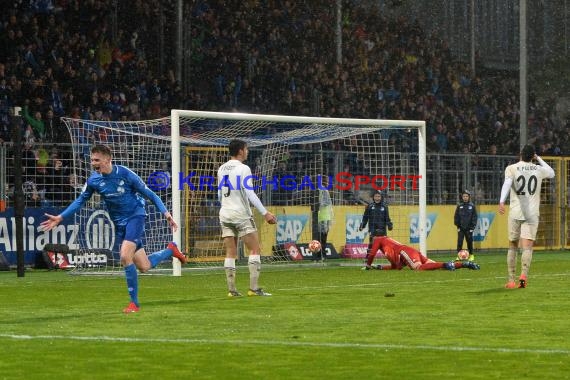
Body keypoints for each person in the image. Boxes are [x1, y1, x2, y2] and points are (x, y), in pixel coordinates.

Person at [40, 144, 187, 313]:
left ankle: (134, 304)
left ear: (108, 159)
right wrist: (60, 217)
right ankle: (171, 249)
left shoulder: (125, 174)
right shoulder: (93, 180)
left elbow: (150, 194)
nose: (93, 163)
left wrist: (166, 213)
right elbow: (80, 201)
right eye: (91, 160)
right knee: (144, 266)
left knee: (125, 256)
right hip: (119, 224)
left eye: (97, 160)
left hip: (136, 217)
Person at [217, 139, 277, 297]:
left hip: (224, 212)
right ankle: (254, 288)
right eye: (246, 149)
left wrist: (225, 207)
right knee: (255, 248)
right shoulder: (244, 168)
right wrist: (265, 213)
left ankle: (232, 291)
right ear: (241, 151)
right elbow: (250, 193)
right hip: (240, 213)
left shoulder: (221, 168)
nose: (248, 151)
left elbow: (219, 194)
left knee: (230, 252)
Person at [498, 144, 555, 289]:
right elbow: (552, 173)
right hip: (532, 213)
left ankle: (511, 280)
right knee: (527, 247)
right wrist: (539, 158)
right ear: (532, 156)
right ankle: (523, 276)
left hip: (516, 212)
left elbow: (507, 183)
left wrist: (501, 201)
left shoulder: (512, 168)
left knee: (512, 245)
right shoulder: (538, 169)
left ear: (520, 154)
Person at [363, 236, 480, 271]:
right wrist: (379, 267)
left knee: (418, 268)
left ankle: (446, 264)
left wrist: (368, 265)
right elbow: (396, 267)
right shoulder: (388, 247)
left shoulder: (378, 239)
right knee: (435, 266)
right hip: (411, 252)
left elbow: (372, 254)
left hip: (406, 252)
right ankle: (466, 264)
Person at [359, 190, 393, 261]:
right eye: (376, 196)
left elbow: (387, 217)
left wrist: (389, 225)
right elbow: (365, 217)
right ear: (373, 197)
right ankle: (367, 258)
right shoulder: (370, 206)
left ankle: (390, 258)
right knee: (371, 244)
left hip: (382, 228)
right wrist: (362, 225)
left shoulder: (384, 206)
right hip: (372, 228)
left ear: (381, 197)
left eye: (379, 196)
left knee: (384, 245)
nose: (377, 198)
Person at [454, 189, 477, 261]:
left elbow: (474, 217)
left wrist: (472, 227)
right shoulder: (459, 206)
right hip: (461, 228)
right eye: (464, 196)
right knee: (459, 242)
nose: (465, 197)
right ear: (462, 197)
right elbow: (456, 216)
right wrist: (457, 226)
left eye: (466, 196)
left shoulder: (472, 206)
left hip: (469, 228)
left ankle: (471, 255)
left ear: (469, 197)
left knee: (469, 242)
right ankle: (458, 256)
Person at [314, 175, 333, 262]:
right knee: (320, 238)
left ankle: (321, 256)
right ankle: (319, 256)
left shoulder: (323, 190)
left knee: (321, 238)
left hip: (324, 217)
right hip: (321, 217)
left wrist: (319, 204)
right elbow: (327, 202)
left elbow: (327, 202)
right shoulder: (321, 190)